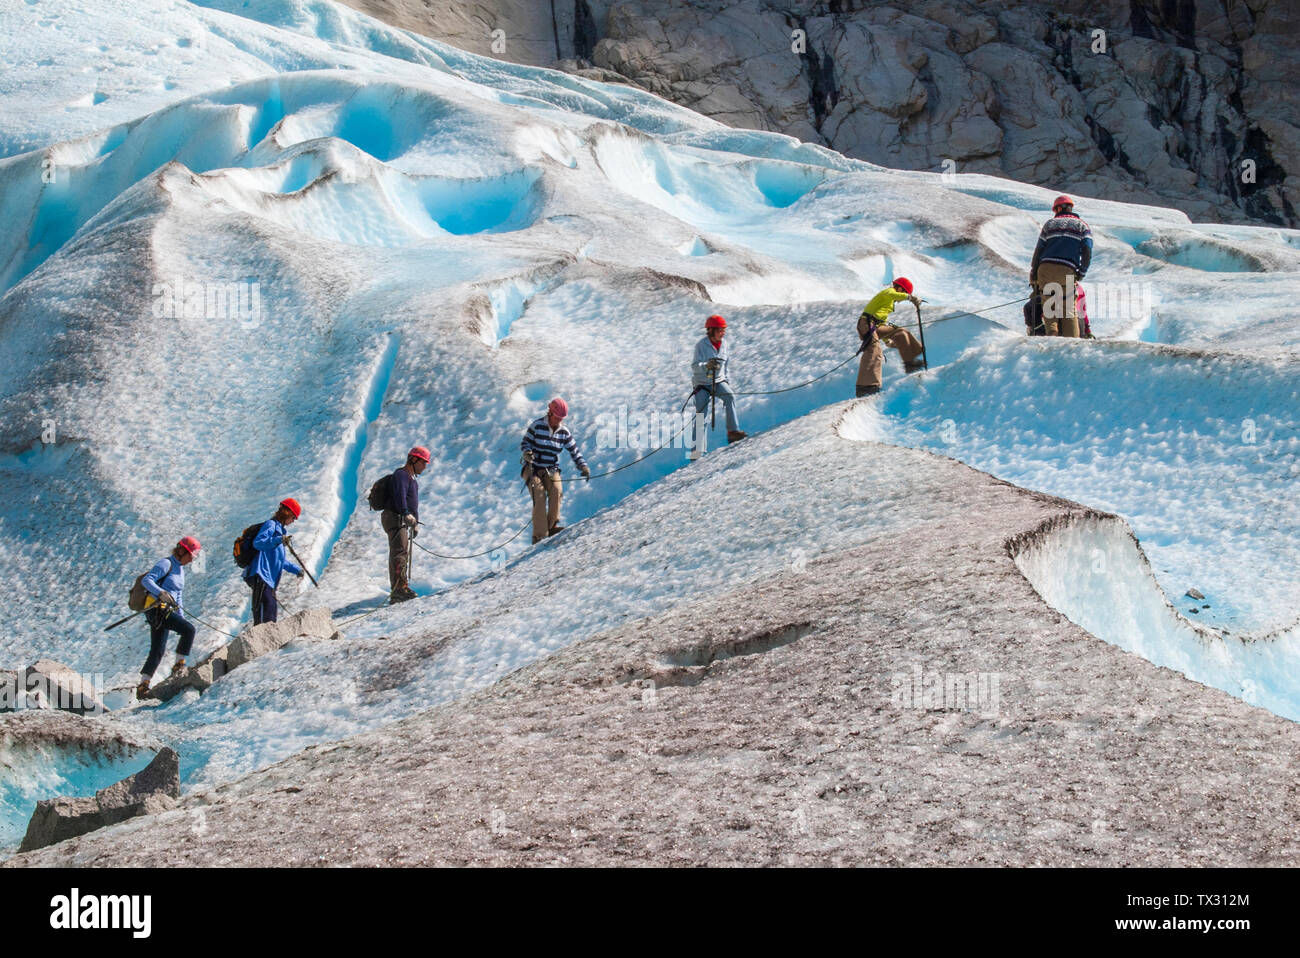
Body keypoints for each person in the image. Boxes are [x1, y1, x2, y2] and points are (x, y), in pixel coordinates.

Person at [136, 536, 200, 699]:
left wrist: (181, 616)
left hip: (166, 610)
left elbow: (178, 597)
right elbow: (147, 580)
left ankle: (143, 685)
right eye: (190, 556)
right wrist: (161, 593)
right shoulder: (166, 564)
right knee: (189, 630)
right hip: (157, 609)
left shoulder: (180, 571)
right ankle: (179, 666)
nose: (191, 560)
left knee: (158, 649)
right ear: (182, 551)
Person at [521, 398, 590, 544]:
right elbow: (525, 442)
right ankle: (539, 535)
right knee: (539, 496)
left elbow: (574, 451)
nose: (558, 421)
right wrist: (527, 453)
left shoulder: (564, 432)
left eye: (561, 418)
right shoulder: (537, 425)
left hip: (551, 468)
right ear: (550, 412)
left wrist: (583, 466)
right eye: (556, 417)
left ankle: (552, 527)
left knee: (556, 490)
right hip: (533, 468)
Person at [1029, 194, 1093, 337]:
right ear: (1070, 208)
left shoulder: (1050, 224)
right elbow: (1087, 250)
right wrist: (1081, 272)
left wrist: (1034, 272)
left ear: (1057, 209)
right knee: (1068, 310)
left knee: (1050, 309)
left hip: (1045, 269)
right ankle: (1072, 346)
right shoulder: (1082, 225)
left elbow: (1039, 250)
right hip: (1067, 269)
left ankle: (1052, 339)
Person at [855, 278, 924, 397]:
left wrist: (887, 341)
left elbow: (882, 323)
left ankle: (910, 362)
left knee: (900, 332)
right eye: (904, 293)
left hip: (876, 325)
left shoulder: (890, 303)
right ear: (900, 288)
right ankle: (866, 387)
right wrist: (911, 298)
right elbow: (893, 294)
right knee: (874, 349)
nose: (902, 298)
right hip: (866, 323)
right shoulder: (888, 293)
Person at [244, 498, 304, 625]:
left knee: (270, 611)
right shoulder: (271, 525)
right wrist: (277, 539)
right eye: (293, 517)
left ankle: (266, 640)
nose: (293, 521)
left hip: (268, 579)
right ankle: (260, 640)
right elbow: (258, 543)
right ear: (287, 513)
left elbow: (280, 561)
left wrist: (296, 570)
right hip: (261, 574)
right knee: (265, 612)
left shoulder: (280, 533)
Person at [382, 446, 429, 604]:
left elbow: (412, 503)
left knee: (401, 552)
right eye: (423, 462)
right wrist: (405, 513)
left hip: (401, 518)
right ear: (414, 459)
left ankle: (401, 587)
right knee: (399, 553)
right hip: (395, 517)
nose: (425, 466)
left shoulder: (411, 479)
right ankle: (399, 590)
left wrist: (414, 520)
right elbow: (400, 496)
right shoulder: (401, 475)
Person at [691, 314, 747, 443]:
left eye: (723, 330)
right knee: (701, 416)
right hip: (702, 385)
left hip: (719, 381)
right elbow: (694, 366)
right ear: (711, 331)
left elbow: (726, 364)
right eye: (720, 330)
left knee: (730, 396)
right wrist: (706, 366)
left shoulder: (725, 344)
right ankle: (696, 451)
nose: (723, 333)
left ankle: (733, 432)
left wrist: (726, 381)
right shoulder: (701, 345)